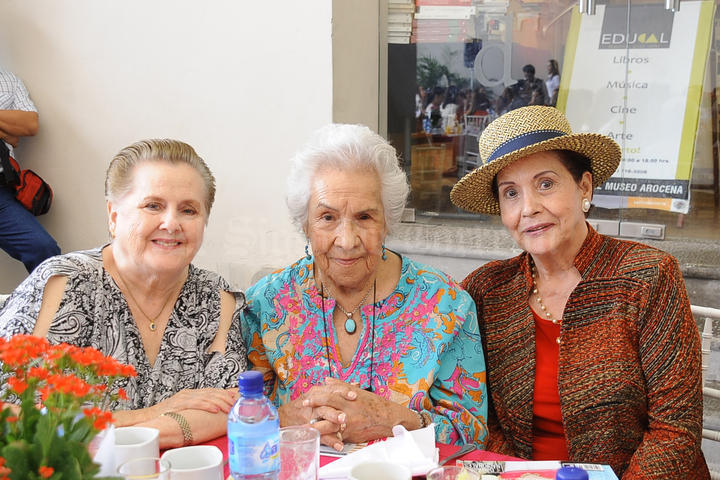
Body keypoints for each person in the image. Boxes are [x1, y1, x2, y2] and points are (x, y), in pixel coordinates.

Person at [449, 106, 709, 478]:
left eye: (546, 184)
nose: (529, 209)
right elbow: (478, 415)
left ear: (584, 187)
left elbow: (676, 429)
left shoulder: (647, 276)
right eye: (511, 193)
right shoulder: (485, 290)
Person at [241, 124, 488, 451]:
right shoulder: (266, 302)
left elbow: (473, 431)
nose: (346, 240)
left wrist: (398, 421)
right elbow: (240, 413)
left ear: (388, 221)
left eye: (365, 217)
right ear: (305, 224)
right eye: (327, 217)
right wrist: (284, 418)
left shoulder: (446, 305)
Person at [0, 139, 247, 448]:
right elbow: (9, 413)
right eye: (153, 205)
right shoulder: (62, 284)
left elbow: (230, 408)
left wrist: (107, 431)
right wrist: (157, 415)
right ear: (114, 216)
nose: (171, 223)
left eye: (189, 210)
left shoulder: (217, 298)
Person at [0, 67, 60, 272]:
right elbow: (14, 135)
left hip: (1, 193)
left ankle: (49, 304)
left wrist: (14, 133)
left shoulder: (9, 80)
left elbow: (30, 124)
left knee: (44, 250)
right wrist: (7, 131)